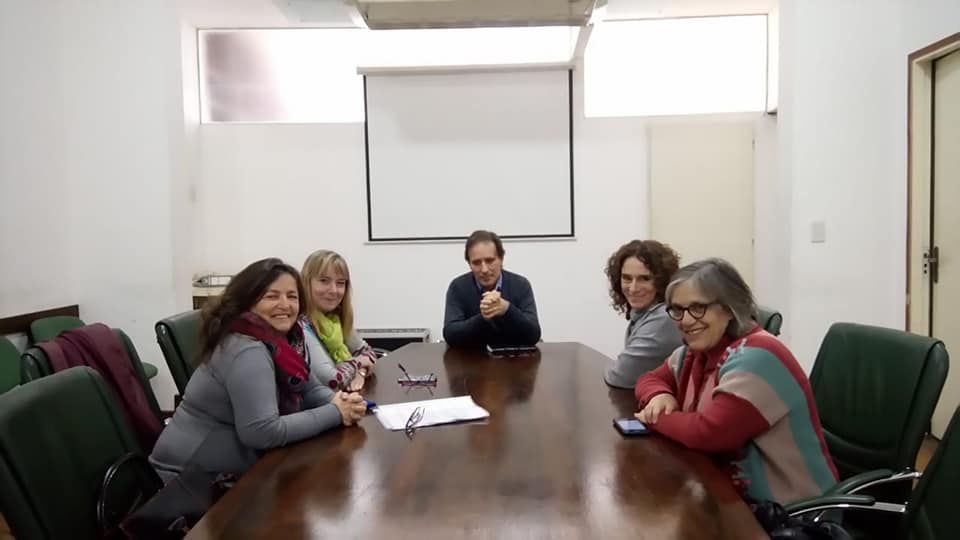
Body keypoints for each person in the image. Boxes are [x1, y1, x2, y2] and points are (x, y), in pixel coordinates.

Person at [635, 258, 837, 505]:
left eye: (698, 307)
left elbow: (708, 433)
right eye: (677, 309)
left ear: (730, 308)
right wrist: (659, 395)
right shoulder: (696, 352)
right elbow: (649, 378)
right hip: (727, 496)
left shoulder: (759, 357)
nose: (685, 320)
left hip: (790, 510)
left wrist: (654, 418)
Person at [150, 258, 367, 481]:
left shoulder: (282, 339)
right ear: (248, 301)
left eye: (292, 296)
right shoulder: (247, 349)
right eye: (272, 296)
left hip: (234, 464)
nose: (285, 305)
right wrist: (336, 413)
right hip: (189, 479)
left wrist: (339, 401)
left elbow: (308, 388)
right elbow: (262, 432)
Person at [603, 240, 684, 388]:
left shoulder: (663, 319)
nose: (633, 288)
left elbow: (619, 376)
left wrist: (614, 366)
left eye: (645, 279)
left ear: (662, 281)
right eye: (627, 278)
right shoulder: (643, 314)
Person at [442, 230, 541, 348]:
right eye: (476, 263)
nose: (484, 269)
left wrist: (507, 309)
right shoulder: (458, 287)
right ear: (469, 264)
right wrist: (483, 317)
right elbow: (450, 334)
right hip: (471, 357)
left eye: (490, 261)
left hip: (514, 357)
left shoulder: (521, 285)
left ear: (501, 259)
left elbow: (534, 334)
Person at [299, 250, 377, 392]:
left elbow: (369, 352)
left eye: (340, 283)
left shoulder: (335, 319)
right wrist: (360, 362)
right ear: (306, 283)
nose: (334, 290)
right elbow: (333, 380)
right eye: (324, 281)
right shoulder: (300, 325)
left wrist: (360, 373)